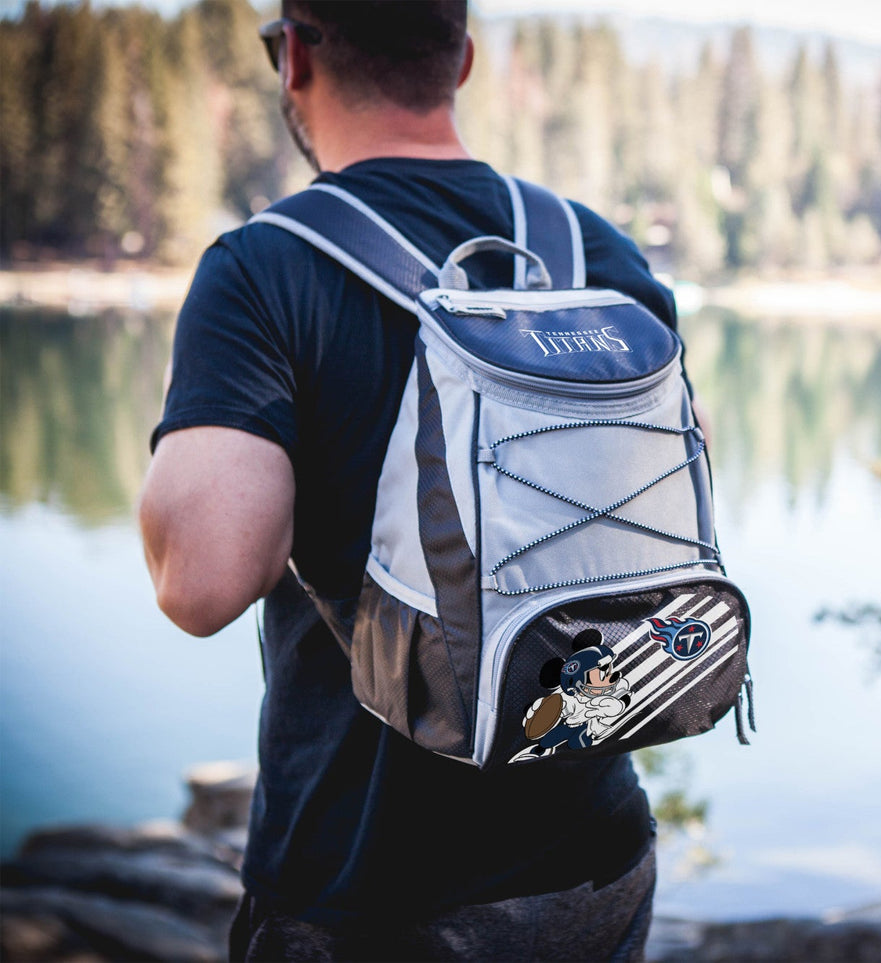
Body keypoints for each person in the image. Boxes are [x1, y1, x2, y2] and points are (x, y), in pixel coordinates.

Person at [138, 3, 672, 959]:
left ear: (293, 57)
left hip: (372, 890)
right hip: (595, 854)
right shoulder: (593, 248)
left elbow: (200, 582)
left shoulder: (265, 268)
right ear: (459, 59)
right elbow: (682, 479)